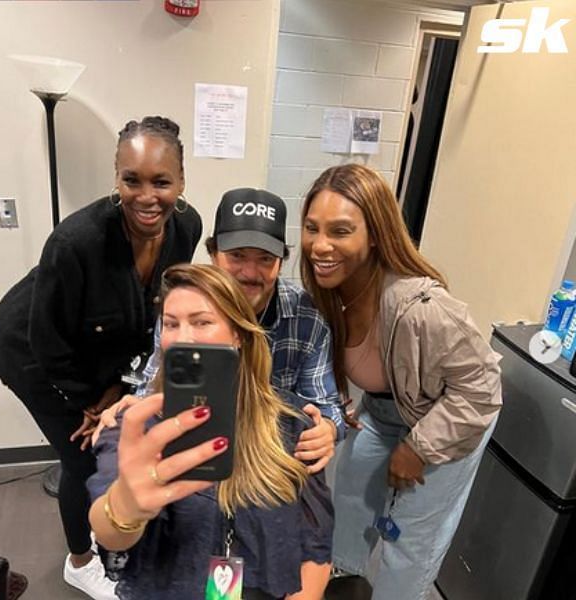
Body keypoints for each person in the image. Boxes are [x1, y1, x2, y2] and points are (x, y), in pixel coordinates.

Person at [0, 116, 202, 599]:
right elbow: (46, 341)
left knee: (116, 428)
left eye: (161, 181)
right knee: (83, 453)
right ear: (116, 178)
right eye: (132, 180)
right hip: (34, 351)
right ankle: (79, 561)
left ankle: (117, 535)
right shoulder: (75, 242)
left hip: (98, 342)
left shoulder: (187, 224)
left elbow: (161, 303)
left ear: (182, 182)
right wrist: (93, 401)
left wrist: (123, 390)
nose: (146, 196)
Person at [102, 188, 342, 598]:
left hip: (267, 453)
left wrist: (328, 430)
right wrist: (133, 415)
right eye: (237, 257)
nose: (250, 272)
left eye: (264, 259)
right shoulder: (186, 305)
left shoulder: (306, 317)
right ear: (214, 254)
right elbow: (160, 383)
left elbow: (325, 405)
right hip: (193, 458)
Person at [299, 163, 501, 600]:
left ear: (375, 236)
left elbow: (483, 389)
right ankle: (343, 584)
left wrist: (418, 448)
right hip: (385, 409)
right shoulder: (330, 292)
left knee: (406, 541)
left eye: (339, 231)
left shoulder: (423, 308)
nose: (320, 245)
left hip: (448, 420)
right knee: (350, 497)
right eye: (312, 228)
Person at [87, 263, 312, 599]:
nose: (183, 338)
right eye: (171, 324)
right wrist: (123, 509)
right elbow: (108, 526)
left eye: (202, 322)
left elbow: (313, 536)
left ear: (237, 334)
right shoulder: (133, 427)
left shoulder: (288, 420)